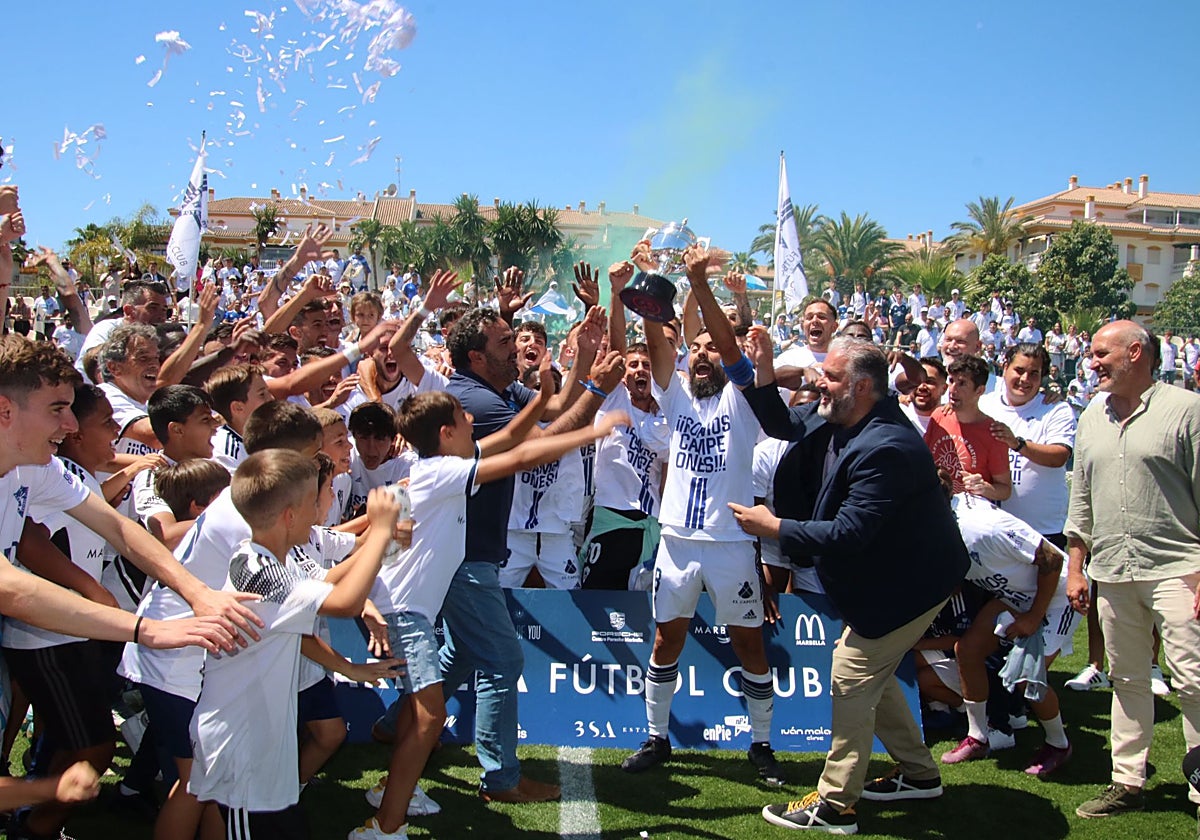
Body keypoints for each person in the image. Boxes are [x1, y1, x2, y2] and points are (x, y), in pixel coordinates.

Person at [357, 393, 630, 840]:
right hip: (406, 613)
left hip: (408, 610)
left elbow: (506, 441)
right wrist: (593, 431)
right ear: (446, 435)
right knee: (428, 718)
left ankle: (392, 790)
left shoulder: (430, 470)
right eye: (464, 419)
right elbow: (520, 455)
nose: (471, 420)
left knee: (417, 715)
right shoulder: (445, 472)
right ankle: (383, 827)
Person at [731, 333, 968, 835]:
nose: (819, 380)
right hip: (891, 581)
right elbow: (780, 422)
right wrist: (765, 369)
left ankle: (836, 804)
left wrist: (773, 527)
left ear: (862, 388)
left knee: (852, 671)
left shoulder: (887, 445)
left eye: (831, 376)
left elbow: (849, 532)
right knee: (870, 675)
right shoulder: (839, 414)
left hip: (912, 585)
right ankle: (920, 774)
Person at [620, 247, 785, 787]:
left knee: (749, 645)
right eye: (699, 347)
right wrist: (644, 288)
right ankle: (655, 737)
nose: (706, 353)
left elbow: (733, 348)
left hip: (731, 543)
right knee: (666, 640)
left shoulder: (742, 397)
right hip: (677, 543)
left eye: (714, 345)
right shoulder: (677, 397)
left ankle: (761, 744)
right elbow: (655, 338)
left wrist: (699, 285)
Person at [187, 452, 401, 839]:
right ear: (289, 515)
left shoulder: (274, 561)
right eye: (313, 503)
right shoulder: (260, 573)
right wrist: (381, 531)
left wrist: (349, 669)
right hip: (241, 747)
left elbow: (301, 621)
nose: (322, 509)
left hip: (263, 742)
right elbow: (343, 602)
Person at [1066, 321, 1200, 822]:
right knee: (1126, 679)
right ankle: (1126, 782)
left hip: (1180, 567)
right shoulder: (1091, 419)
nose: (1092, 362)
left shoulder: (1186, 410)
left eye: (1101, 354)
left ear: (1136, 352)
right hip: (1114, 572)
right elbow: (1080, 500)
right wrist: (1077, 567)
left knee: (1193, 680)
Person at [939, 493, 1079, 779]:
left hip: (1056, 595)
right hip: (1015, 595)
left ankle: (1058, 744)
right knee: (967, 650)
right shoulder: (941, 523)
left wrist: (1034, 616)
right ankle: (978, 737)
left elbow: (1050, 558)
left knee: (1027, 677)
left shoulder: (982, 527)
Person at [924, 355, 1012, 501]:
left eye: (962, 383)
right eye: (951, 381)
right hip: (935, 507)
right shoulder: (939, 416)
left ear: (979, 390)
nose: (953, 389)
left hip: (970, 514)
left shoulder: (994, 434)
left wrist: (984, 487)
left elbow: (1005, 490)